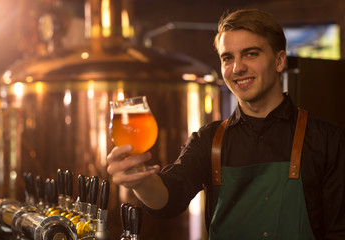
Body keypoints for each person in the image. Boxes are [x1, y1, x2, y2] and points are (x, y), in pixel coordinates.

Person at [106, 9, 345, 239]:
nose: (237, 68)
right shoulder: (209, 139)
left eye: (251, 54)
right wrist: (140, 181)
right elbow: (170, 199)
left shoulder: (326, 139)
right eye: (227, 58)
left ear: (279, 60)